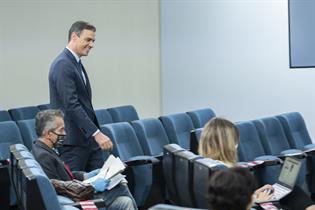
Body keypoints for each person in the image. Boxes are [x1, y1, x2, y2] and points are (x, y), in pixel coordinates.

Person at [199, 117, 315, 210]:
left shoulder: (205, 166)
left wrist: (254, 194)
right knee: (293, 194)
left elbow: (231, 198)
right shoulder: (226, 172)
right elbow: (233, 205)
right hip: (255, 205)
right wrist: (259, 200)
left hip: (252, 201)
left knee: (292, 191)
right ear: (228, 144)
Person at [32, 109, 137, 210]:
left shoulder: (44, 149)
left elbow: (65, 177)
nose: (65, 133)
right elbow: (57, 189)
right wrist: (92, 186)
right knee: (120, 186)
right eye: (61, 130)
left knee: (125, 202)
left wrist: (87, 175)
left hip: (76, 194)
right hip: (75, 201)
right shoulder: (43, 156)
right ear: (48, 134)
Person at [49, 21, 113, 171]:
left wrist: (93, 135)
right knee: (76, 190)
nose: (92, 45)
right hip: (73, 142)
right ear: (74, 37)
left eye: (93, 41)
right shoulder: (63, 64)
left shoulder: (75, 62)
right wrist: (96, 133)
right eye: (88, 40)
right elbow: (71, 105)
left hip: (86, 140)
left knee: (99, 185)